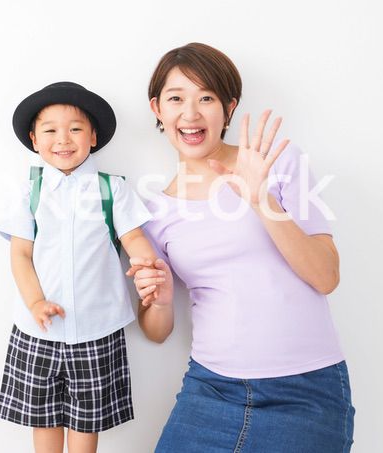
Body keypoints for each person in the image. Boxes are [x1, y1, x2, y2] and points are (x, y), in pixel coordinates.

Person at [128, 43, 355, 452]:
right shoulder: (153, 212)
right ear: (157, 108)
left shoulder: (279, 164)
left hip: (305, 393)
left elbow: (326, 276)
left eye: (207, 98)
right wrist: (159, 302)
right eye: (176, 98)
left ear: (229, 108)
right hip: (209, 389)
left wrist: (260, 199)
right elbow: (156, 331)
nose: (191, 113)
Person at [0, 82, 160, 453]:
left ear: (93, 136)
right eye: (50, 130)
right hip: (39, 330)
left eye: (75, 128)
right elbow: (20, 255)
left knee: (87, 419)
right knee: (44, 417)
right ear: (35, 139)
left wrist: (144, 259)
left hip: (97, 328)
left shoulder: (112, 189)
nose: (63, 139)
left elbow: (132, 236)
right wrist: (36, 302)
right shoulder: (29, 192)